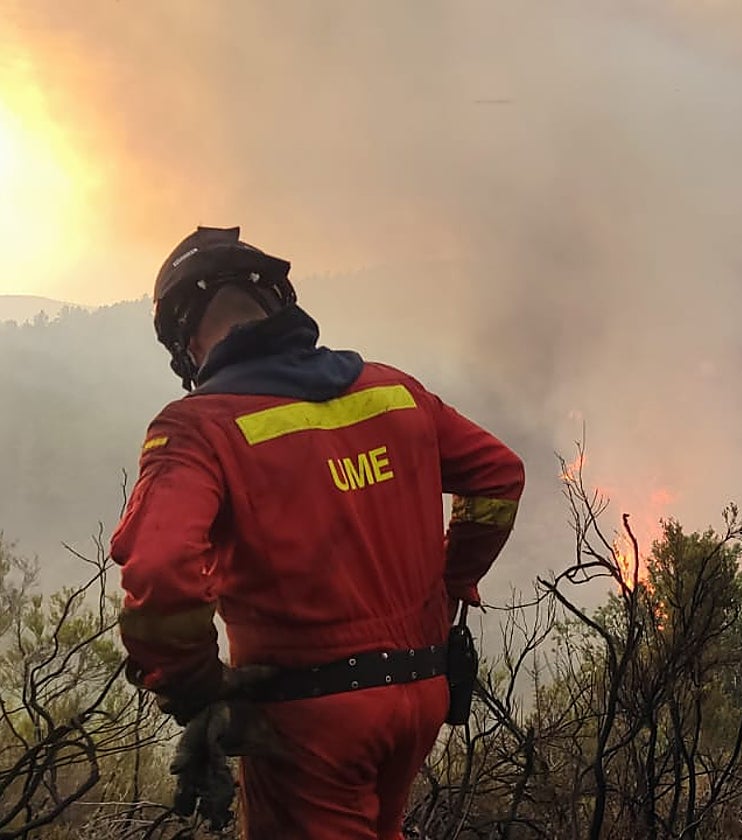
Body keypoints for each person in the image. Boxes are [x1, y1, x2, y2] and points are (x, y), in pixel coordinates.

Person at [111, 226, 525, 839]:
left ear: (183, 341)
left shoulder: (199, 427)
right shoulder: (395, 391)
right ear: (279, 301)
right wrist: (451, 581)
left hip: (307, 722)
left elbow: (158, 569)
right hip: (421, 695)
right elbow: (498, 478)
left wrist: (194, 685)